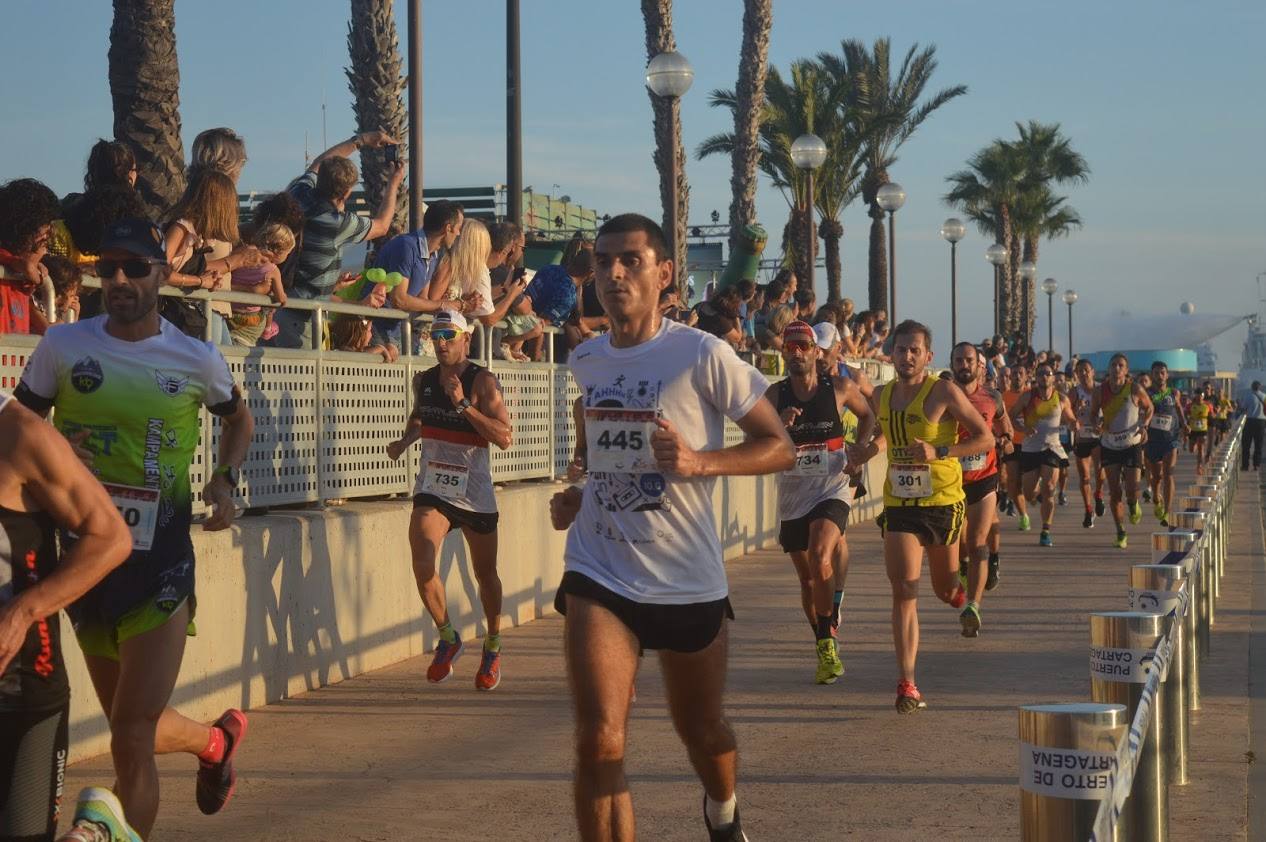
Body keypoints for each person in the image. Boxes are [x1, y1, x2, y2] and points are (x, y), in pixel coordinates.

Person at [547, 213, 792, 841]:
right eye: (602, 262)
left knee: (703, 732)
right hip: (599, 567)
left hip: (685, 577)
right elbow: (598, 454)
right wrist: (577, 493)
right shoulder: (587, 360)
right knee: (599, 740)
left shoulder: (702, 353)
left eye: (630, 260)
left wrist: (697, 461)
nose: (614, 274)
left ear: (664, 273)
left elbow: (778, 444)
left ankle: (723, 810)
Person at [13, 218, 256, 838]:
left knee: (130, 734)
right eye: (107, 268)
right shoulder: (63, 347)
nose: (117, 279)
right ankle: (214, 743)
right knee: (132, 717)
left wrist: (225, 481)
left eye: (134, 268)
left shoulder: (195, 357)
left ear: (164, 274)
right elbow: (19, 436)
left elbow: (239, 420)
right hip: (84, 568)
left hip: (160, 565)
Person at [0, 391, 136, 842]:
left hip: (22, 690)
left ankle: (98, 833)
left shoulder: (21, 434)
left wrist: (22, 612)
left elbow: (111, 538)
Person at [853, 320, 993, 713]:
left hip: (943, 501)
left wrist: (940, 452)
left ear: (928, 357)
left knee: (942, 589)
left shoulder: (942, 391)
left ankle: (962, 596)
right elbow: (887, 435)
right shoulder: (880, 396)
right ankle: (908, 683)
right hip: (899, 504)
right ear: (891, 354)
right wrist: (865, 452)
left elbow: (985, 438)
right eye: (901, 349)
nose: (908, 356)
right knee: (903, 591)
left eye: (915, 350)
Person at [385, 310, 513, 689]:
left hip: (474, 492)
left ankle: (492, 644)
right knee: (423, 563)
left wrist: (463, 405)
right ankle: (448, 636)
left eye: (448, 335)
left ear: (465, 338)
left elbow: (505, 437)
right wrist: (406, 440)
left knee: (485, 575)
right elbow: (419, 417)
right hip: (434, 487)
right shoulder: (423, 380)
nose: (441, 342)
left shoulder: (482, 381)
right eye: (435, 334)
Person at [768, 321, 873, 684]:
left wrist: (860, 449)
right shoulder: (774, 395)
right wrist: (779, 426)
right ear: (784, 354)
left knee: (820, 554)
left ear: (816, 352)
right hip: (793, 493)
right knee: (808, 580)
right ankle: (822, 639)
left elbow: (869, 414)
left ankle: (828, 638)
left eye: (803, 346)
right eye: (790, 347)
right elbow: (757, 437)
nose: (796, 353)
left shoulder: (840, 388)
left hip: (832, 486)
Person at [270, 131, 404, 348]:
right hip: (302, 318)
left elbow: (317, 163)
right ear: (346, 194)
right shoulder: (336, 222)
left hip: (285, 308)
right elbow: (382, 226)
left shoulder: (299, 193)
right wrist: (394, 183)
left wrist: (360, 141)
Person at [950, 342, 1012, 633]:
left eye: (969, 360)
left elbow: (1005, 427)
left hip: (984, 479)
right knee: (959, 547)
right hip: (950, 482)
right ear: (952, 364)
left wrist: (1006, 439)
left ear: (979, 365)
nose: (964, 364)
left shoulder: (992, 397)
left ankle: (973, 607)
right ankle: (966, 580)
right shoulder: (941, 396)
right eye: (959, 360)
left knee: (977, 543)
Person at [371, 200, 466, 355]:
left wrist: (462, 305)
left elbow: (424, 301)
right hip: (374, 328)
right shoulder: (406, 246)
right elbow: (399, 299)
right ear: (448, 228)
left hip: (396, 330)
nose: (459, 234)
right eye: (458, 228)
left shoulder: (433, 254)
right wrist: (443, 304)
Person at [1009, 363, 1077, 547]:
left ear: (1053, 377)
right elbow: (1011, 416)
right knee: (1029, 493)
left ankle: (1045, 531)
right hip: (1030, 449)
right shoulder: (1027, 397)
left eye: (1048, 373)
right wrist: (1023, 428)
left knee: (1049, 487)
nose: (1044, 377)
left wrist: (1073, 424)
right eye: (1040, 374)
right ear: (1036, 377)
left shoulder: (1061, 398)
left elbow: (1070, 417)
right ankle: (1035, 494)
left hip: (1052, 448)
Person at [1089, 354, 1153, 549]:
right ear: (1108, 369)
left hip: (1132, 445)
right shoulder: (1100, 392)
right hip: (1109, 445)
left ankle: (1133, 504)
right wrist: (1096, 424)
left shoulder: (1134, 389)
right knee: (1115, 491)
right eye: (1113, 365)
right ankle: (1120, 531)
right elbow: (1092, 414)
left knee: (1132, 489)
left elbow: (1149, 407)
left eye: (1121, 365)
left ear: (1126, 370)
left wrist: (1145, 425)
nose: (1117, 368)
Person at [0, 178, 61, 336]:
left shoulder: (23, 281)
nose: (50, 234)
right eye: (45, 228)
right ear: (25, 228)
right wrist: (14, 262)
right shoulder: (8, 270)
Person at [227, 222, 293, 346]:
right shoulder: (273, 271)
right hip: (249, 319)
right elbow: (281, 299)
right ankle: (268, 328)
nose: (287, 256)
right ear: (280, 251)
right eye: (287, 253)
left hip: (229, 311)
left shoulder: (243, 252)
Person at [1144, 361, 1188, 526]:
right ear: (1152, 375)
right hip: (1153, 440)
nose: (1160, 376)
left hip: (1171, 439)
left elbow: (1179, 409)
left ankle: (1168, 512)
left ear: (1167, 375)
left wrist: (1184, 423)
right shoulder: (1146, 394)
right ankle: (1156, 496)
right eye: (1156, 373)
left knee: (1169, 473)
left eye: (1162, 372)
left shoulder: (1174, 392)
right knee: (1157, 476)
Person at [1070, 359, 1105, 528]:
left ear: (1093, 372)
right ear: (1076, 374)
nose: (1083, 374)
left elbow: (1111, 410)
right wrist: (1077, 409)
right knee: (1084, 476)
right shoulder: (1074, 392)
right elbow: (1066, 415)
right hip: (1082, 437)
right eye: (1079, 371)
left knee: (1099, 471)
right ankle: (1088, 509)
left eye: (1086, 370)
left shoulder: (1101, 390)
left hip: (1098, 435)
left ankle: (1098, 494)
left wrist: (1103, 424)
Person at [1240, 381, 1265, 470]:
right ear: (1260, 387)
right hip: (1261, 422)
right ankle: (1256, 464)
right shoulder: (1264, 396)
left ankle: (1245, 465)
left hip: (1250, 421)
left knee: (1246, 444)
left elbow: (1243, 408)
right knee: (1259, 444)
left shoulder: (1248, 396)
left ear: (1252, 387)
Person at [1187, 387, 1212, 474]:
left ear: (1203, 396)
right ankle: (1196, 446)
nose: (1199, 397)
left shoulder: (1208, 405)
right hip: (1193, 429)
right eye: (1197, 395)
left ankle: (1199, 467)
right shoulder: (1190, 405)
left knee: (1201, 449)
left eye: (1201, 395)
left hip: (1203, 429)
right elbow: (1185, 414)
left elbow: (1212, 415)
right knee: (1191, 449)